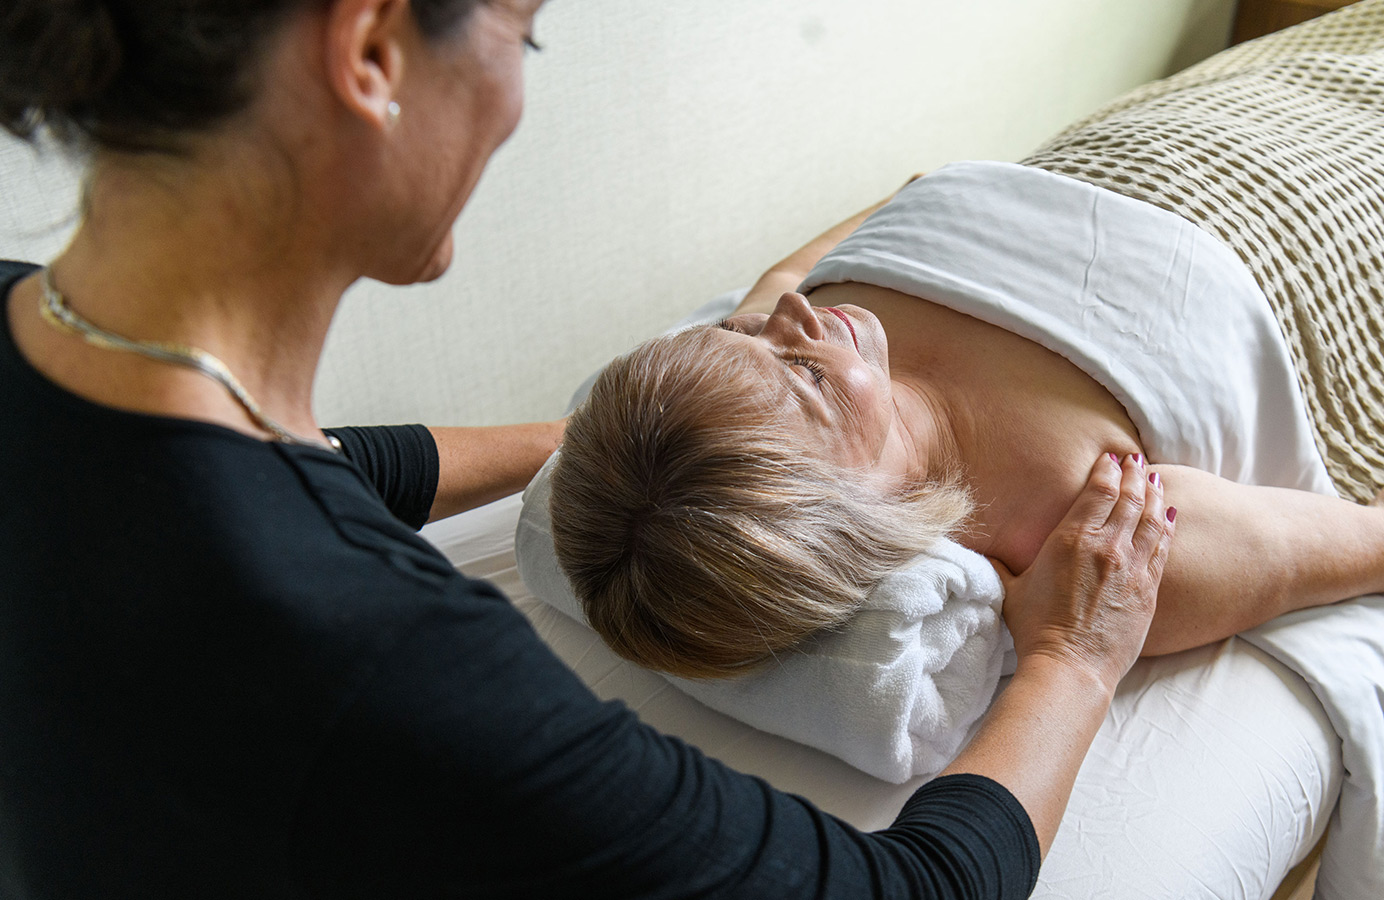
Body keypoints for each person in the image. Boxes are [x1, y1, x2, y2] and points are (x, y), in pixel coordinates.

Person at [0, 1, 1175, 897]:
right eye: (524, 37)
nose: (512, 100)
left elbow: (300, 470)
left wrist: (585, 441)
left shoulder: (55, 349)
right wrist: (1070, 658)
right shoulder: (390, 663)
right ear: (370, 55)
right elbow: (909, 888)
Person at [549, 172, 1384, 680]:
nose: (798, 319)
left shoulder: (785, 331)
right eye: (805, 375)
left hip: (1136, 154)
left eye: (741, 338)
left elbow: (823, 252)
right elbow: (1379, 540)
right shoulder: (1088, 523)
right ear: (842, 507)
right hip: (1313, 226)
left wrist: (926, 201)